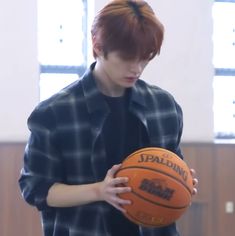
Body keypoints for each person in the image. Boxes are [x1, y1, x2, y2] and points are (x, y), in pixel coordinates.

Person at [19, 0, 198, 235]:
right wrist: (99, 191)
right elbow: (35, 188)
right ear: (97, 45)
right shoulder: (54, 113)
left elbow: (171, 168)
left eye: (145, 57)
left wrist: (181, 181)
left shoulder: (164, 107)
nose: (137, 68)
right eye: (126, 57)